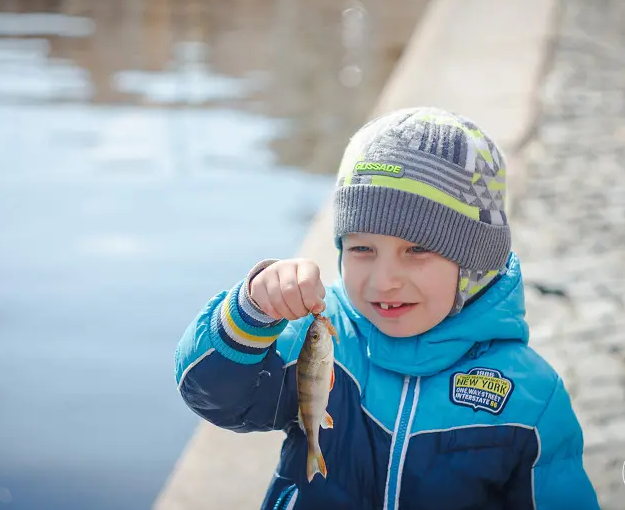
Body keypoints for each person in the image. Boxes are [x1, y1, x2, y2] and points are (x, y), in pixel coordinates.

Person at [174, 107, 601, 509]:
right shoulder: (318, 338)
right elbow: (212, 393)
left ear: (473, 264)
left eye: (417, 249)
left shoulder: (531, 398)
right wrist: (253, 310)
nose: (383, 280)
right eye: (362, 248)